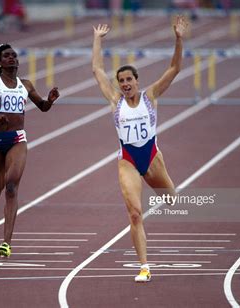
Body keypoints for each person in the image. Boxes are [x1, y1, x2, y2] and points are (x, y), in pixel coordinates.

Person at [91, 17, 187, 282]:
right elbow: (97, 70)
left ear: (136, 80)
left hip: (152, 157)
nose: (124, 84)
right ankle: (144, 266)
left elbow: (175, 68)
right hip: (128, 160)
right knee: (135, 213)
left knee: (170, 199)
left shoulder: (150, 96)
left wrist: (179, 39)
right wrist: (97, 40)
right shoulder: (115, 101)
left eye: (128, 79)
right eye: (120, 80)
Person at [0, 44, 59, 257]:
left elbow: (43, 107)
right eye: (6, 56)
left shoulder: (25, 85)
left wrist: (51, 100)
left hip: (17, 139)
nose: (11, 58)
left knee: (11, 188)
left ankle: (6, 243)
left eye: (14, 56)